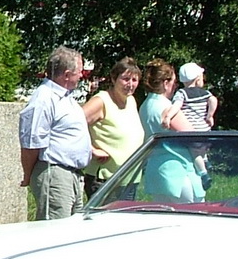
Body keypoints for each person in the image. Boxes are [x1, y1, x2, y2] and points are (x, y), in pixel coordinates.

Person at [20, 47, 92, 220]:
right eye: (79, 71)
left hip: (72, 175)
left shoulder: (66, 97)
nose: (82, 75)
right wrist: (28, 175)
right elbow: (31, 143)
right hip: (55, 174)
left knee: (71, 232)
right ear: (67, 75)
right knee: (54, 232)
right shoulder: (44, 99)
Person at [138, 58, 201, 201]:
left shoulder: (145, 106)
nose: (175, 86)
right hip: (178, 174)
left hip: (156, 172)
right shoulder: (167, 108)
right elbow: (194, 137)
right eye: (174, 82)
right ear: (165, 83)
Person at [82, 57, 145, 193]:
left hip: (130, 178)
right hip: (105, 180)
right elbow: (72, 124)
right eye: (125, 79)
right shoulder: (101, 101)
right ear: (113, 79)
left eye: (134, 80)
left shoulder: (131, 101)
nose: (130, 84)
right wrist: (91, 149)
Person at [171, 62, 218, 130]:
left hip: (190, 131)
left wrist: (168, 116)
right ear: (198, 80)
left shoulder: (182, 93)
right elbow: (213, 100)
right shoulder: (205, 93)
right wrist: (210, 116)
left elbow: (176, 106)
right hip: (205, 130)